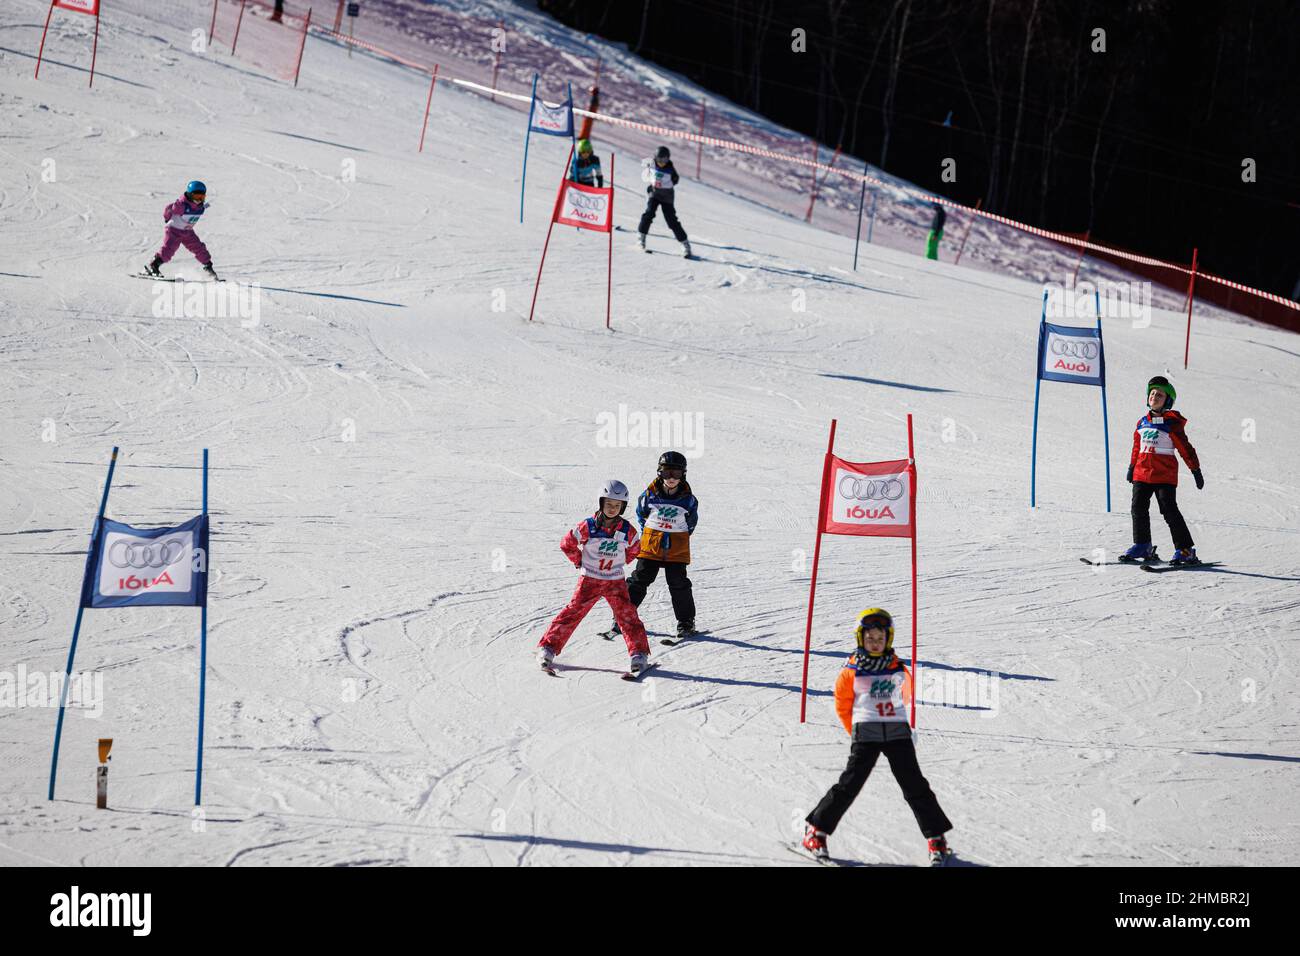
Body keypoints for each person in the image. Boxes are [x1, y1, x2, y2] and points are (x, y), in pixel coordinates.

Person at [802, 609, 955, 866]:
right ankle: (816, 830)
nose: (875, 643)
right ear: (861, 639)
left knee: (914, 784)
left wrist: (899, 719)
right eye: (870, 638)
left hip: (896, 732)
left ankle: (936, 838)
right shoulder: (851, 670)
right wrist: (856, 730)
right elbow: (842, 703)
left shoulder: (898, 668)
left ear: (888, 639)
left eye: (880, 638)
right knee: (850, 784)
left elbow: (907, 693)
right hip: (866, 732)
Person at [537, 480, 652, 674]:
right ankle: (548, 647)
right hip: (589, 579)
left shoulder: (627, 530)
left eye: (617, 506)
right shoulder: (588, 526)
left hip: (614, 581)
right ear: (601, 503)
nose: (612, 509)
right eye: (608, 504)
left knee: (627, 616)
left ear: (622, 507)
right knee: (572, 613)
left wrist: (620, 562)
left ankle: (639, 654)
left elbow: (635, 549)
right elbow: (567, 543)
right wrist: (580, 561)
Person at [603, 451, 698, 641]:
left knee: (679, 584)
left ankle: (686, 622)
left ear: (683, 475)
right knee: (639, 580)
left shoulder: (688, 499)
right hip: (650, 547)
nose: (671, 478)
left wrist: (678, 536)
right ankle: (622, 617)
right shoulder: (649, 496)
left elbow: (692, 522)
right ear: (659, 473)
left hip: (676, 549)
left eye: (676, 474)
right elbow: (641, 515)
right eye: (666, 473)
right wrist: (650, 533)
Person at [1120, 375, 1203, 565]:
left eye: (1160, 395)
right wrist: (1132, 467)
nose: (1154, 397)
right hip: (1142, 474)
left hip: (1164, 475)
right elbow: (1136, 447)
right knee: (1138, 508)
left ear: (1168, 401)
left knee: (1169, 511)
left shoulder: (1171, 424)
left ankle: (1185, 550)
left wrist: (1195, 470)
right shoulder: (1142, 423)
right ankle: (1143, 545)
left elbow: (1185, 449)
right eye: (1152, 393)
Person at [144, 180, 219, 280]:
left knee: (199, 248)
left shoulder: (200, 207)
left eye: (202, 197)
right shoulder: (181, 205)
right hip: (174, 230)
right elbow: (169, 209)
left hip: (187, 232)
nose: (199, 200)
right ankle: (153, 265)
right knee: (169, 249)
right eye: (197, 197)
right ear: (189, 194)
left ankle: (208, 268)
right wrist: (167, 218)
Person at [638, 146, 692, 258]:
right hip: (654, 194)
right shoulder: (651, 164)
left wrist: (665, 186)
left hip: (667, 196)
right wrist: (650, 186)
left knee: (671, 220)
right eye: (659, 160)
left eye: (664, 160)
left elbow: (675, 180)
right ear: (655, 158)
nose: (662, 163)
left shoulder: (670, 169)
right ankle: (641, 237)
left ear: (668, 159)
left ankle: (685, 244)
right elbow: (647, 175)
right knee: (649, 213)